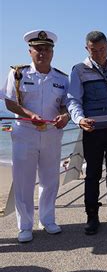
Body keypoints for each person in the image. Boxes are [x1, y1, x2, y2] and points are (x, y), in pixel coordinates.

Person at [1, 30, 69, 242]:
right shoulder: (18, 74)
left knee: (50, 179)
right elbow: (10, 101)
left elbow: (65, 105)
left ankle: (48, 219)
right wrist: (30, 115)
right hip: (25, 132)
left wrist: (64, 116)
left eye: (47, 49)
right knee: (24, 181)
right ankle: (25, 226)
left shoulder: (61, 78)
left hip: (51, 134)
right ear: (30, 51)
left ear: (53, 52)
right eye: (38, 49)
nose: (43, 52)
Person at [67, 31, 107, 235]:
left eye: (102, 49)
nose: (99, 54)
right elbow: (73, 99)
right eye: (94, 51)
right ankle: (91, 214)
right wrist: (79, 119)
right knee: (93, 173)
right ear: (87, 49)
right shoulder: (79, 70)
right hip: (93, 130)